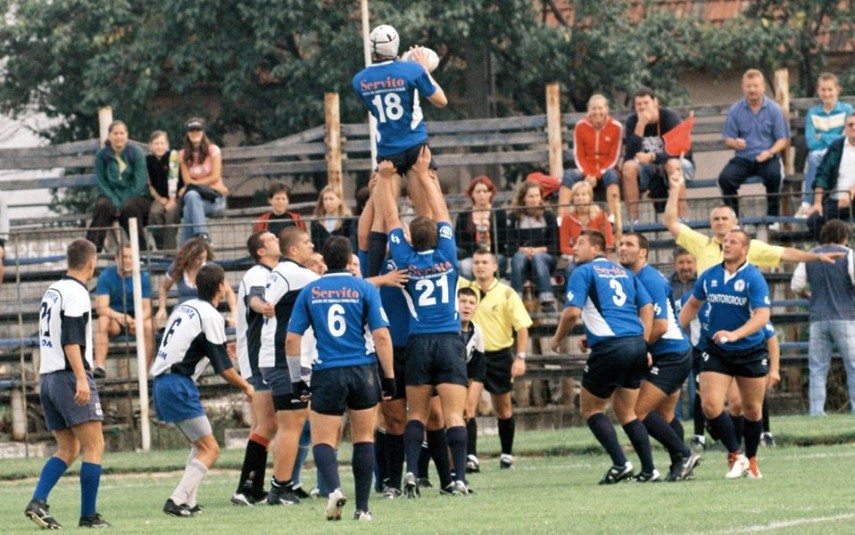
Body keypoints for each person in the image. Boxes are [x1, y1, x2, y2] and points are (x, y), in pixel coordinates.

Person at [375, 147, 470, 497]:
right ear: (438, 237)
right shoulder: (448, 258)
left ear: (412, 239)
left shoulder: (404, 259)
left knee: (416, 414)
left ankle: (412, 474)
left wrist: (386, 182)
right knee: (453, 416)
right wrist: (428, 177)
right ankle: (459, 479)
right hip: (448, 339)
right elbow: (442, 212)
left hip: (417, 343)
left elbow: (389, 221)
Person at [286, 236, 395, 521]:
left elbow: (291, 339)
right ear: (350, 261)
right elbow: (381, 335)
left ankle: (334, 489)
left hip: (328, 371)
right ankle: (363, 509)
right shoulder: (364, 288)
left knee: (323, 439)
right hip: (362, 370)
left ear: (323, 261)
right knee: (363, 438)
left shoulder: (310, 290)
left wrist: (297, 379)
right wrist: (390, 377)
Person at [550, 230, 656, 483]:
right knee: (627, 412)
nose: (575, 248)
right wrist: (643, 341)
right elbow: (648, 306)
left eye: (581, 243)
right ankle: (650, 469)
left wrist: (556, 339)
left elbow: (572, 312)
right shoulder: (626, 273)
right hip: (635, 345)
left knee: (590, 408)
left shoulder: (583, 272)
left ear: (598, 248)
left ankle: (621, 464)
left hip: (610, 348)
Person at [151, 263, 254, 517]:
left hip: (163, 381)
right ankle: (175, 500)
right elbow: (224, 369)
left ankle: (189, 502)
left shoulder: (183, 308)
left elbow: (187, 344)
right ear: (221, 287)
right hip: (178, 384)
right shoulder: (210, 315)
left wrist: (216, 351)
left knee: (199, 445)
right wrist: (247, 386)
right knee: (211, 449)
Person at [25, 239, 109, 529]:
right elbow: (71, 341)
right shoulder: (76, 292)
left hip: (48, 377)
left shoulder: (53, 290)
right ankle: (89, 516)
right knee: (94, 445)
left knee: (67, 448)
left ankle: (38, 501)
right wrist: (82, 378)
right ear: (91, 263)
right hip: (68, 375)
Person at [679, 228, 771, 479]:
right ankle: (735, 455)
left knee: (751, 410)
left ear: (745, 250)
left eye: (733, 242)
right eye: (725, 240)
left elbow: (762, 316)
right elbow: (693, 305)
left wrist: (736, 334)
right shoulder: (709, 276)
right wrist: (677, 331)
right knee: (710, 406)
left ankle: (751, 459)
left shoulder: (754, 278)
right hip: (717, 350)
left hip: (750, 350)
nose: (726, 244)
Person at [618, 233, 701, 482]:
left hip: (671, 355)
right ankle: (682, 464)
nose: (622, 248)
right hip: (669, 353)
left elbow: (661, 326)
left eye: (629, 244)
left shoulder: (649, 279)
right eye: (620, 244)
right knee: (665, 416)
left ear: (643, 252)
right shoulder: (632, 278)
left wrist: (638, 349)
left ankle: (684, 454)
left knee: (638, 411)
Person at [664, 170, 845, 273]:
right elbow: (671, 223)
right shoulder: (700, 244)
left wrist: (816, 257)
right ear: (711, 224)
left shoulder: (748, 247)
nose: (720, 222)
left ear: (734, 221)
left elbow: (785, 253)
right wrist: (674, 190)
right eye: (716, 219)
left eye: (724, 218)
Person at [352, 25, 447, 209]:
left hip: (388, 149)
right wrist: (423, 69)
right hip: (415, 145)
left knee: (385, 218)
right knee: (426, 214)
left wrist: (402, 63)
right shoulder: (413, 71)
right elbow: (441, 101)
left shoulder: (359, 80)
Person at [258, 226, 318, 505]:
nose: (311, 246)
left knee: (293, 421)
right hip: (283, 359)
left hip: (277, 357)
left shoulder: (281, 273)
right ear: (292, 249)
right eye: (306, 242)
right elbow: (334, 286)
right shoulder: (297, 273)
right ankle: (280, 487)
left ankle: (284, 483)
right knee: (290, 424)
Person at [460, 249, 531, 471]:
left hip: (499, 355)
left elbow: (521, 327)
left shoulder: (507, 293)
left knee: (503, 409)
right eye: (477, 262)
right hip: (472, 356)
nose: (480, 266)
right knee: (467, 408)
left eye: (485, 262)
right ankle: (471, 457)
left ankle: (507, 454)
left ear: (494, 267)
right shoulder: (464, 290)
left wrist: (520, 357)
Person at [231, 231, 280, 506]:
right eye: (271, 238)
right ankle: (247, 487)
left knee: (268, 423)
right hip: (258, 356)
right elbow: (255, 300)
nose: (277, 241)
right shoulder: (257, 273)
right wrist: (266, 308)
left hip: (268, 356)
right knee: (269, 423)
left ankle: (254, 486)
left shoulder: (277, 272)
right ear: (261, 251)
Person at [791, 219, 855, 416]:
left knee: (817, 368)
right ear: (844, 236)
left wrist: (809, 296)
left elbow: (796, 286)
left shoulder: (810, 256)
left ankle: (816, 411)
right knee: (853, 366)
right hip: (845, 317)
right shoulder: (848, 254)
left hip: (818, 318)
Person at [717, 69, 790, 220]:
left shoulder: (774, 109)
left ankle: (773, 218)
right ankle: (734, 218)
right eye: (748, 86)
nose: (752, 90)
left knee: (775, 176)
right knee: (725, 179)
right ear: (743, 87)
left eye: (755, 86)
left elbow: (783, 139)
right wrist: (735, 143)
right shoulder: (735, 110)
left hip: (767, 156)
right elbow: (728, 140)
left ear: (763, 87)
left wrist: (770, 152)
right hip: (743, 158)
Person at [621, 87, 695, 223]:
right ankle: (633, 220)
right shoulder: (632, 121)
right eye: (639, 104)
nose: (643, 107)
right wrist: (641, 125)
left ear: (655, 102)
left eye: (646, 102)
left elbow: (676, 150)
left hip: (680, 164)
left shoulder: (669, 117)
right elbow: (631, 154)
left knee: (672, 164)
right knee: (628, 167)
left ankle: (682, 218)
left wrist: (653, 157)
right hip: (649, 167)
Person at [86, 120, 151, 252]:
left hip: (135, 195)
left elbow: (139, 183)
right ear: (109, 136)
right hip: (110, 195)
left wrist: (121, 204)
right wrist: (115, 202)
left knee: (129, 209)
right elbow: (102, 182)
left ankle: (141, 251)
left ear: (126, 135)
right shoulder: (102, 155)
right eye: (115, 133)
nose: (119, 137)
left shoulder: (135, 153)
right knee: (103, 206)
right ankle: (91, 251)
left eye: (122, 133)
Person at [93, 244, 154, 378]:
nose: (127, 260)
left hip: (136, 318)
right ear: (116, 259)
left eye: (131, 257)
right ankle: (99, 366)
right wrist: (119, 316)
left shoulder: (143, 277)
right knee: (102, 321)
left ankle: (145, 373)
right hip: (114, 318)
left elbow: (147, 309)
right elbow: (101, 308)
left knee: (149, 326)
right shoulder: (106, 276)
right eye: (124, 257)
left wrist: (137, 321)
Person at [558, 94, 623, 219]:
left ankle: (614, 217)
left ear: (606, 109)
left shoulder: (616, 127)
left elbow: (614, 157)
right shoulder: (580, 126)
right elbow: (579, 155)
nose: (597, 112)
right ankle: (562, 217)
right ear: (588, 110)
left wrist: (597, 174)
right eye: (593, 108)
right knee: (569, 175)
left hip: (605, 170)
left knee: (612, 175)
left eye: (600, 108)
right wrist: (588, 174)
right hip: (586, 171)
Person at [797, 73, 853, 217]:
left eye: (830, 89)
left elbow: (848, 136)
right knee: (813, 157)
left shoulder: (846, 110)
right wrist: (834, 137)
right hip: (820, 151)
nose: (827, 93)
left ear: (837, 90)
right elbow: (811, 142)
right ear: (818, 91)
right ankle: (807, 203)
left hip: (840, 150)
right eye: (823, 90)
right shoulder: (813, 113)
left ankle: (818, 202)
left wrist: (823, 136)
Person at [669, 248, 706, 450]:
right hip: (675, 345)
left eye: (689, 262)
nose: (685, 267)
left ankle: (698, 433)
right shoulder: (668, 285)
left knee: (696, 393)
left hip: (697, 345)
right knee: (673, 391)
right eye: (681, 263)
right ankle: (676, 433)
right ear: (675, 264)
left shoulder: (701, 285)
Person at [156, 237, 237, 326]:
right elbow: (164, 288)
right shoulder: (177, 268)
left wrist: (234, 312)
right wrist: (162, 308)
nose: (202, 261)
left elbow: (228, 291)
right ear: (190, 257)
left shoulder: (210, 269)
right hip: (184, 312)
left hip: (205, 312)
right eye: (199, 258)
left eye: (204, 258)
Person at [506, 180, 559, 313]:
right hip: (522, 256)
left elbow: (555, 245)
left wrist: (536, 251)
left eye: (537, 196)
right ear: (523, 198)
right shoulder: (514, 217)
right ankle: (516, 300)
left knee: (538, 258)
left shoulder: (548, 216)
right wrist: (524, 251)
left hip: (545, 258)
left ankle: (547, 301)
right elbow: (510, 246)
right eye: (531, 196)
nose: (535, 200)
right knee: (518, 257)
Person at [178, 118, 227, 245]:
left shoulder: (213, 150)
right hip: (198, 199)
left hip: (214, 198)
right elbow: (187, 181)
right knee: (191, 198)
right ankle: (203, 236)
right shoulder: (182, 155)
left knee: (189, 204)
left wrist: (194, 185)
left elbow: (215, 176)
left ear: (203, 132)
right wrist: (203, 184)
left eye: (198, 130)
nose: (195, 133)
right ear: (187, 134)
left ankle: (184, 250)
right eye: (191, 131)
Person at [807, 111, 855, 240]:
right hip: (835, 200)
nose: (854, 128)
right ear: (845, 128)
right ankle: (828, 254)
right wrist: (817, 202)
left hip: (852, 200)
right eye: (850, 124)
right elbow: (822, 174)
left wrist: (850, 194)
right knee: (814, 220)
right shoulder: (837, 146)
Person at [454, 175, 508, 280]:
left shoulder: (499, 214)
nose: (482, 194)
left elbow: (504, 239)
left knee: (498, 262)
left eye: (485, 191)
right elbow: (459, 241)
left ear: (491, 193)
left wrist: (489, 232)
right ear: (472, 194)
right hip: (471, 256)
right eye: (478, 191)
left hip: (494, 255)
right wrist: (476, 255)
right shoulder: (463, 215)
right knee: (464, 266)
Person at [558, 180, 614, 281]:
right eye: (577, 195)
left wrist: (590, 254)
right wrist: (581, 253)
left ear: (590, 197)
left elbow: (609, 243)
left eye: (584, 194)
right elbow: (564, 247)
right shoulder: (567, 218)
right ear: (573, 198)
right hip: (576, 259)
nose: (580, 198)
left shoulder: (601, 216)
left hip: (598, 258)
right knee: (571, 269)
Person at [457, 286, 486, 474]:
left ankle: (470, 456)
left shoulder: (477, 333)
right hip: (444, 377)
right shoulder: (447, 330)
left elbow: (475, 367)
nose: (467, 306)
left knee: (467, 410)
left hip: (465, 375)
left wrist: (466, 394)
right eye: (462, 302)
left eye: (471, 303)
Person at [146, 130, 182, 250]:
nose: (159, 146)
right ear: (150, 146)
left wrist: (172, 199)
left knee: (170, 216)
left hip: (175, 196)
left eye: (162, 143)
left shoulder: (172, 156)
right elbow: (149, 183)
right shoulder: (148, 160)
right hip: (159, 197)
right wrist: (158, 198)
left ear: (167, 145)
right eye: (156, 143)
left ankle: (170, 251)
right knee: (154, 214)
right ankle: (160, 246)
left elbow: (174, 177)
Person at [310, 185, 354, 251]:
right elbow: (315, 245)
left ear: (340, 200)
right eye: (325, 199)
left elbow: (351, 242)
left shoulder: (347, 220)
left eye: (331, 199)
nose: (328, 202)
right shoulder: (316, 221)